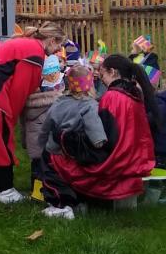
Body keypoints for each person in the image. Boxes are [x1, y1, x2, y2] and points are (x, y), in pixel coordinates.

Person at [40, 55, 156, 220]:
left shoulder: (111, 97)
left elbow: (100, 141)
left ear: (112, 72)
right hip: (132, 159)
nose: (100, 81)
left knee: (53, 156)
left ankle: (65, 204)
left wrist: (64, 138)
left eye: (102, 76)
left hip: (113, 163)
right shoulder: (133, 94)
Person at [0, 22, 66, 203]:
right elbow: (20, 91)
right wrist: (12, 116)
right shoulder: (35, 54)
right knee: (3, 138)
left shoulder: (26, 43)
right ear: (51, 40)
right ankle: (6, 190)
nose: (58, 50)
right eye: (59, 45)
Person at [39, 65, 108, 169]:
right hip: (76, 159)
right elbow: (98, 140)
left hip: (55, 156)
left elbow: (44, 130)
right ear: (90, 85)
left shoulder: (58, 102)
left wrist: (42, 145)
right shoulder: (90, 106)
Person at [20, 54, 63, 192]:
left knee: (37, 169)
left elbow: (23, 125)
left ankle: (37, 193)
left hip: (35, 144)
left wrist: (24, 141)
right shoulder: (58, 100)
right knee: (52, 167)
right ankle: (52, 192)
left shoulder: (28, 104)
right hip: (53, 144)